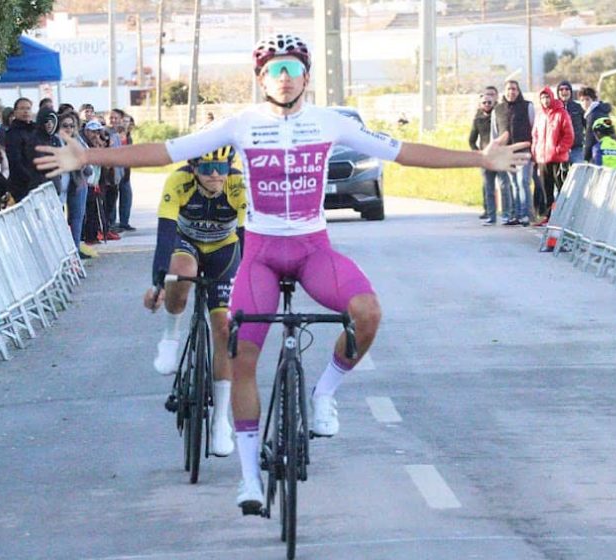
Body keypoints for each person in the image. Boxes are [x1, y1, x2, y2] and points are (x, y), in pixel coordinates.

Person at [34, 33, 529, 513]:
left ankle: (323, 396)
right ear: (261, 78)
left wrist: (479, 159)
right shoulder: (241, 124)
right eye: (275, 70)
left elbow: (402, 150)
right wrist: (89, 154)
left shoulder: (330, 122)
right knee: (241, 351)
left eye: (293, 70)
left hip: (314, 251)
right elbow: (167, 151)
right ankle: (249, 478)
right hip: (262, 255)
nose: (285, 78)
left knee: (369, 313)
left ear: (307, 77)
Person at [145, 147, 247, 457]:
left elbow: (247, 238)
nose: (215, 173)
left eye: (221, 166)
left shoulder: (238, 185)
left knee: (223, 331)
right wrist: (158, 283)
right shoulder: (178, 182)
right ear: (193, 168)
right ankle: (170, 336)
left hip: (224, 251)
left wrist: (249, 284)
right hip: (185, 244)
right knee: (182, 272)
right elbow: (164, 236)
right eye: (208, 167)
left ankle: (220, 423)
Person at [492, 79, 534, 226]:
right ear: (505, 91)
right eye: (509, 89)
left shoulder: (527, 106)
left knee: (523, 182)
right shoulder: (498, 109)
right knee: (514, 184)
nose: (512, 92)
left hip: (523, 151)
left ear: (518, 91)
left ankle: (526, 214)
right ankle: (515, 214)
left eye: (514, 89)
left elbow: (533, 127)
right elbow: (495, 133)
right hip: (506, 152)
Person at [530, 86, 574, 225]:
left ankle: (565, 217)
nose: (545, 100)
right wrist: (535, 152)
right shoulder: (540, 115)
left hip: (558, 158)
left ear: (552, 97)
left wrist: (559, 149)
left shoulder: (561, 113)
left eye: (547, 97)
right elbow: (535, 135)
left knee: (562, 189)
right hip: (543, 158)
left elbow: (569, 135)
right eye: (542, 98)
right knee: (546, 189)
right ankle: (548, 216)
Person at [55, 113, 96, 255]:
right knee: (59, 219)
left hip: (78, 182)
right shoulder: (55, 141)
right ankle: (62, 251)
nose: (69, 129)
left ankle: (76, 249)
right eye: (65, 126)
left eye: (72, 126)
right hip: (60, 184)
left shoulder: (77, 140)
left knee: (77, 218)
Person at [469, 91, 499, 225]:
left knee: (505, 186)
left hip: (499, 156)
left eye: (489, 102)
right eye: (484, 103)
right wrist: (478, 154)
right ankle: (491, 215)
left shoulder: (499, 116)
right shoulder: (478, 120)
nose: (487, 105)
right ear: (480, 105)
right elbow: (471, 140)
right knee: (488, 187)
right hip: (485, 157)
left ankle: (507, 214)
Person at [578, 87, 612, 164]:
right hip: (609, 152)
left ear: (593, 100)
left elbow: (589, 138)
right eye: (582, 100)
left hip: (597, 153)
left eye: (587, 99)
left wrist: (586, 156)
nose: (585, 103)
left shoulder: (592, 115)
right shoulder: (603, 112)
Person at [556, 81, 584, 164]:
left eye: (567, 89)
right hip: (559, 149)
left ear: (570, 92)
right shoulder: (554, 108)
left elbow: (586, 124)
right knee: (559, 175)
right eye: (561, 89)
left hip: (576, 148)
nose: (564, 91)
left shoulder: (578, 107)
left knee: (579, 172)